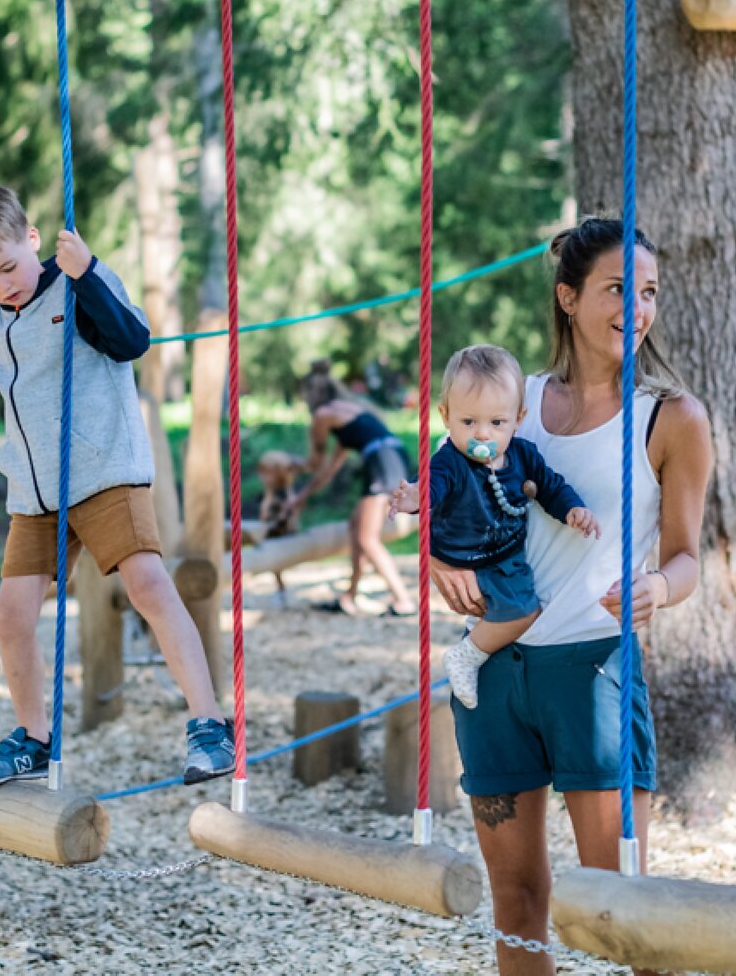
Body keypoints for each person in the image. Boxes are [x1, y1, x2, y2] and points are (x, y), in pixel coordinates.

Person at [429, 218, 711, 975]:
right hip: (492, 674)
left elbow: (688, 559)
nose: (637, 308)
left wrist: (659, 586)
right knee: (516, 900)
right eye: (618, 289)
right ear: (568, 298)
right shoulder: (507, 402)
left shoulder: (671, 417)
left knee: (624, 910)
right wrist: (438, 565)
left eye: (648, 292)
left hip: (594, 671)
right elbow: (446, 503)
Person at [0, 183, 234, 786]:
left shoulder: (77, 285)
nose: (0, 286)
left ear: (32, 239)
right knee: (10, 613)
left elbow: (131, 340)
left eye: (8, 268)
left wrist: (89, 271)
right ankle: (34, 738)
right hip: (37, 491)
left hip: (103, 471)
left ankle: (208, 724)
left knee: (147, 583)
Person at [388, 345, 599, 709]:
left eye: (496, 423)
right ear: (446, 416)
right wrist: (415, 498)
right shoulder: (451, 461)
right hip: (462, 556)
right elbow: (434, 485)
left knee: (522, 610)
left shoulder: (523, 454)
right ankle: (467, 655)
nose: (482, 434)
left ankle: (479, 650)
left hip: (505, 554)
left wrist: (573, 509)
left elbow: (551, 486)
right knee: (523, 612)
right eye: (469, 422)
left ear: (518, 419)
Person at [287, 359, 419, 616]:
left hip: (381, 463)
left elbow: (315, 463)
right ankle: (350, 597)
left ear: (310, 395)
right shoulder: (348, 413)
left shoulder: (323, 416)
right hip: (391, 457)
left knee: (367, 538)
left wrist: (293, 465)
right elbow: (328, 471)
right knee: (355, 527)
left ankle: (403, 600)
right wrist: (302, 497)